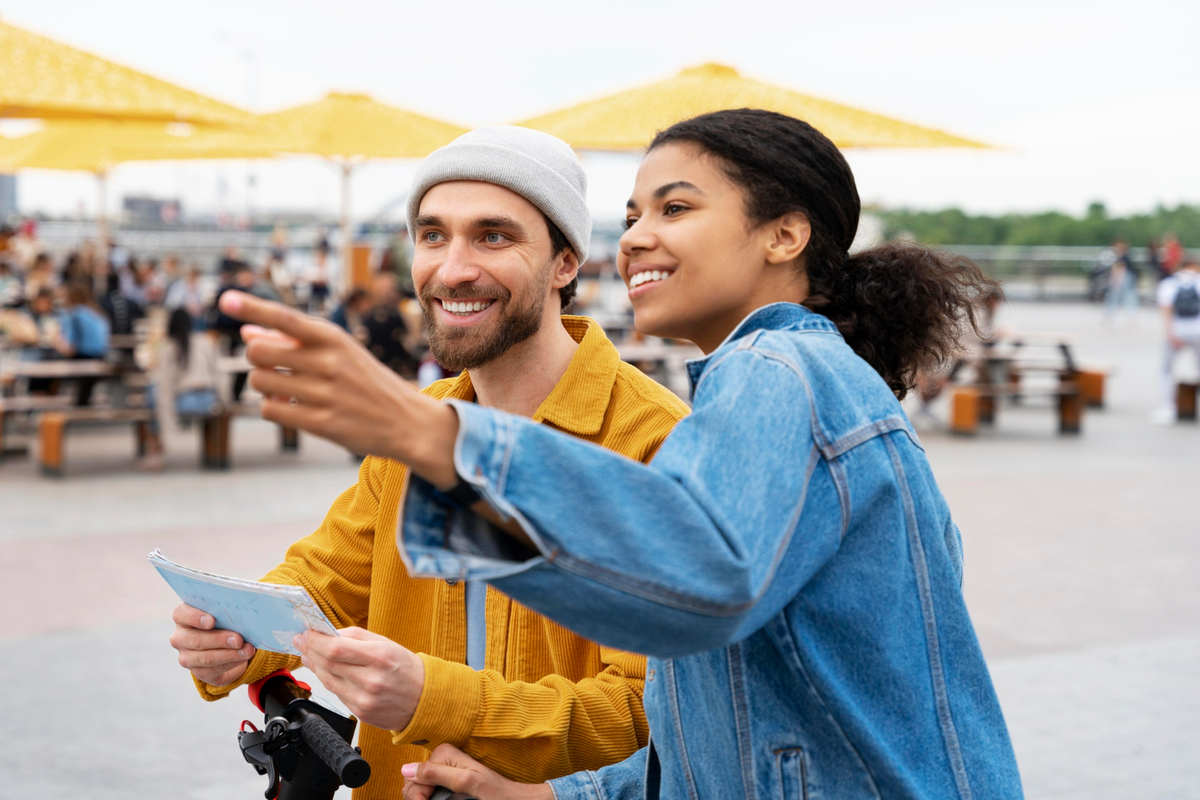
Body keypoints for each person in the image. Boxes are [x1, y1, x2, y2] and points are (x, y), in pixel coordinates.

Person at [219, 109, 1024, 800]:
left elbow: (690, 583)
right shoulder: (774, 387)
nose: (637, 238)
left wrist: (433, 440)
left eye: (674, 209)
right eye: (634, 215)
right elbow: (700, 734)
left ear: (785, 234)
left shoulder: (779, 368)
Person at [170, 127, 691, 798]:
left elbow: (653, 713)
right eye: (432, 234)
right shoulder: (420, 422)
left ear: (566, 262)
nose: (452, 269)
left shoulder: (653, 441)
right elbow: (323, 583)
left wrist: (433, 696)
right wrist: (233, 637)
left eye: (494, 236)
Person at [139, 307, 227, 469]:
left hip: (186, 401)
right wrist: (223, 401)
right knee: (155, 393)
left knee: (152, 392)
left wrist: (168, 425)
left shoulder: (168, 346)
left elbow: (164, 388)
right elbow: (219, 374)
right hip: (208, 399)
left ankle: (155, 450)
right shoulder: (205, 341)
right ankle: (157, 449)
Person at [1152, 256, 1200, 425]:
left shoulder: (1169, 284)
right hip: (1197, 331)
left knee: (1166, 369)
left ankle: (1168, 408)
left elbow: (1166, 311)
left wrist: (1170, 334)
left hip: (1177, 330)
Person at [56, 282, 111, 406]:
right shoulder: (97, 313)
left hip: (84, 357)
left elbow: (70, 346)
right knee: (84, 394)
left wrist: (55, 343)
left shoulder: (73, 314)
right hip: (101, 357)